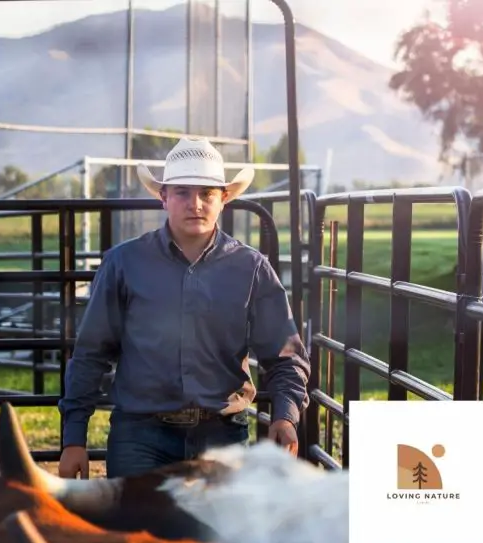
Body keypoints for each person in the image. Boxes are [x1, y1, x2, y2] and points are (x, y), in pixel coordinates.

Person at [57, 136, 311, 480]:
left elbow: (285, 355)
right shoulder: (123, 263)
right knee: (136, 531)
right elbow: (91, 352)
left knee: (220, 532)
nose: (195, 204)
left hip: (222, 434)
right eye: (182, 192)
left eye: (207, 194)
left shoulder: (251, 268)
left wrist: (285, 414)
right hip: (140, 433)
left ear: (224, 199)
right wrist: (74, 438)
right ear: (163, 198)